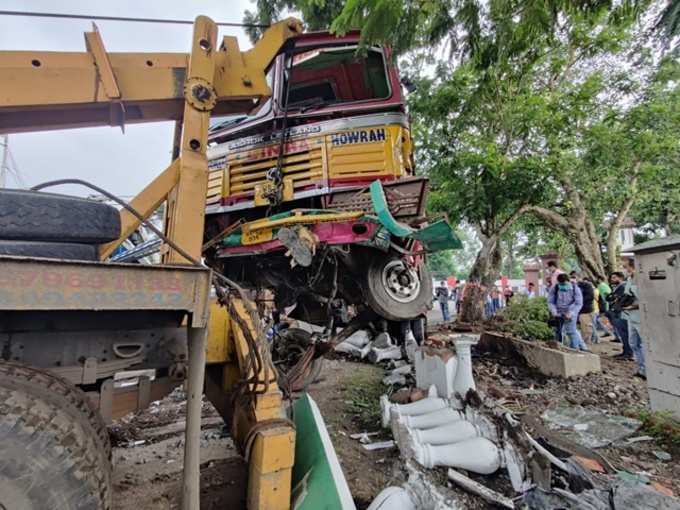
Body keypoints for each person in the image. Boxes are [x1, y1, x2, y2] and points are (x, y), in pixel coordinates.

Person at [548, 273, 589, 351]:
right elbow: (550, 302)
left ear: (568, 281)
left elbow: (578, 303)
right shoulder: (555, 288)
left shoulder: (575, 288)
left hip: (571, 312)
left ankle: (575, 349)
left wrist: (571, 313)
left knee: (571, 331)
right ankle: (561, 349)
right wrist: (554, 311)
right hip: (558, 313)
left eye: (564, 283)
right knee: (558, 331)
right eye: (561, 284)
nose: (563, 285)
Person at [622, 259, 646, 379]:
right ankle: (642, 369)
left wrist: (633, 306)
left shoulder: (641, 278)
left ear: (632, 266)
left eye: (626, 267)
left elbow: (645, 299)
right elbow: (627, 296)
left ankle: (649, 370)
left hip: (641, 316)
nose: (625, 269)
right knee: (633, 343)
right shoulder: (629, 279)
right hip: (630, 316)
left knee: (645, 344)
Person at [607, 272, 634, 360]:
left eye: (614, 278)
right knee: (622, 334)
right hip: (617, 312)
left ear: (620, 278)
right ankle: (625, 351)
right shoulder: (617, 287)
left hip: (620, 313)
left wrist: (615, 300)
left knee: (624, 333)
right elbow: (610, 298)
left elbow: (619, 299)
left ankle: (628, 353)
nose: (612, 279)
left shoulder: (623, 287)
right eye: (612, 277)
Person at [575, 275, 595, 343]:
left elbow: (590, 297)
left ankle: (587, 341)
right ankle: (587, 340)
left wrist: (579, 301)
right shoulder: (586, 286)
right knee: (586, 326)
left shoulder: (586, 286)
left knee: (586, 326)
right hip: (586, 309)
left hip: (585, 310)